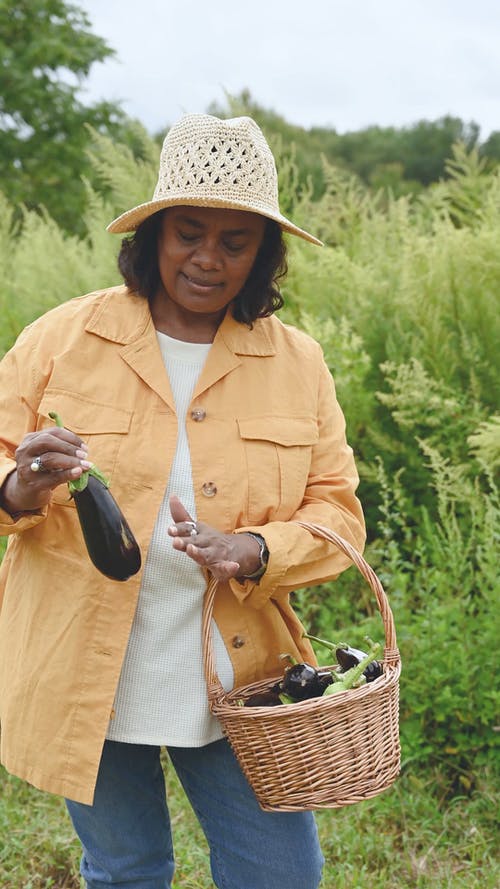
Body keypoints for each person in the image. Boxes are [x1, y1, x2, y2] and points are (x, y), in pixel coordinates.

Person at [0, 114, 365, 889]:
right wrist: (19, 485)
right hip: (84, 661)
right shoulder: (64, 338)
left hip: (239, 671)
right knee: (128, 870)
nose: (207, 258)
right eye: (188, 233)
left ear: (263, 252)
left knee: (280, 875)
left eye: (235, 242)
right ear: (155, 234)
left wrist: (257, 549)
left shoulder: (297, 363)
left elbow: (338, 513)